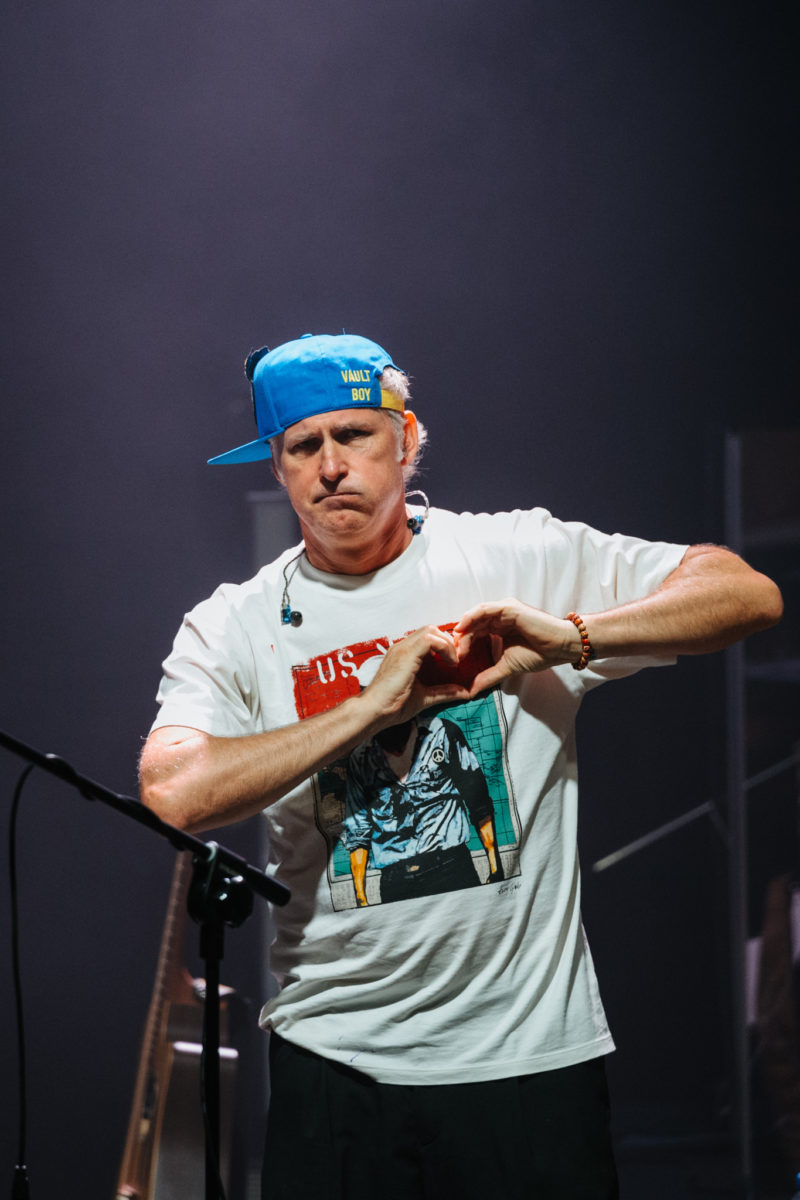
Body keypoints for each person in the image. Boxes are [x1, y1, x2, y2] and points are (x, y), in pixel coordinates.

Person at [140, 332, 782, 1200]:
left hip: (527, 1058)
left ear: (405, 439)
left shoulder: (518, 555)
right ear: (278, 467)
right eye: (301, 446)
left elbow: (746, 593)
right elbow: (172, 791)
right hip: (335, 1062)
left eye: (354, 435)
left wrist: (574, 636)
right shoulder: (233, 623)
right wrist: (369, 708)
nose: (330, 466)